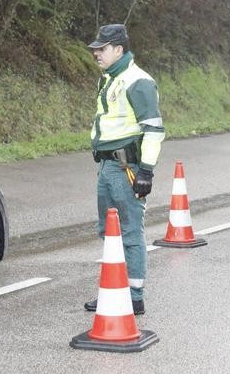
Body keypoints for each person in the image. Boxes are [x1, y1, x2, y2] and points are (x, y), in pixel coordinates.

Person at [83, 23, 165, 315]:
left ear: (119, 49)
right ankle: (113, 290)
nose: (97, 54)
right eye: (95, 50)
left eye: (102, 49)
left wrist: (146, 171)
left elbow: (154, 130)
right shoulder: (109, 79)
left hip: (126, 167)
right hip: (107, 166)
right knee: (109, 232)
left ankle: (134, 295)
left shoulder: (138, 81)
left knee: (129, 233)